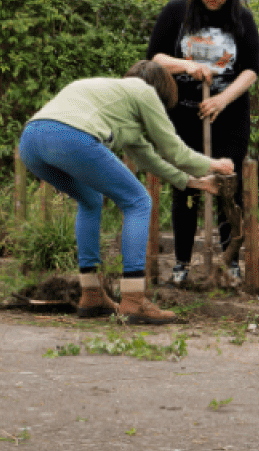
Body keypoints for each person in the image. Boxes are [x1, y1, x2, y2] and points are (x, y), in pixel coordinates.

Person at [19, 62, 234, 324]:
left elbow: (151, 161)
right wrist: (214, 164)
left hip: (31, 142)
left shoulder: (117, 104)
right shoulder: (144, 90)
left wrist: (197, 182)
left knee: (90, 200)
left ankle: (92, 293)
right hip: (70, 136)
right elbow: (173, 150)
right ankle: (134, 299)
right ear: (161, 93)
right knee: (138, 201)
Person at [147, 0, 259, 286]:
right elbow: (154, 57)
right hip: (183, 113)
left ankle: (230, 261)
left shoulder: (242, 18)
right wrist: (186, 67)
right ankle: (182, 262)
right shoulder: (176, 12)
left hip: (229, 115)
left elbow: (251, 69)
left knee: (228, 184)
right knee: (186, 185)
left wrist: (223, 99)